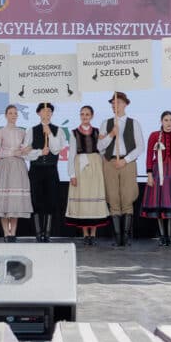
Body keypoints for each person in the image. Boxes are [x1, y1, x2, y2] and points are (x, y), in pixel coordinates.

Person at [98, 92, 144, 247]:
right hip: (110, 162)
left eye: (117, 102)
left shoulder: (134, 123)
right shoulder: (106, 123)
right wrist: (111, 134)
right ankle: (117, 237)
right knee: (112, 197)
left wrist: (125, 160)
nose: (114, 105)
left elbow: (140, 147)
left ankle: (126, 237)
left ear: (125, 104)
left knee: (127, 197)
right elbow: (100, 146)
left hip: (127, 162)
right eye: (112, 103)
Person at [0, 104, 32, 241]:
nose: (13, 115)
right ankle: (6, 232)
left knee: (15, 201)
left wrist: (25, 151)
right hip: (5, 166)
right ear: (6, 115)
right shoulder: (0, 132)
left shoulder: (22, 132)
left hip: (18, 166)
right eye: (11, 113)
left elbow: (27, 150)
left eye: (15, 113)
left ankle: (13, 233)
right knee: (4, 200)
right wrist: (12, 152)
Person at [141, 110, 171, 247]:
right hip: (158, 172)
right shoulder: (154, 135)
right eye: (166, 120)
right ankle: (162, 236)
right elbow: (149, 155)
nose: (169, 123)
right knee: (160, 203)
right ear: (161, 121)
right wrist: (149, 174)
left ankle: (169, 237)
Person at [65, 105, 109, 245]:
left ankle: (93, 234)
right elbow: (71, 154)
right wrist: (72, 174)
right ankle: (85, 234)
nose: (84, 117)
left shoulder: (97, 132)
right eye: (82, 114)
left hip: (95, 165)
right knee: (83, 197)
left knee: (94, 197)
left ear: (92, 116)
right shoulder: (74, 133)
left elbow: (102, 151)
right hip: (80, 167)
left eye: (87, 114)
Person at [26, 102, 65, 242]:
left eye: (49, 111)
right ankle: (38, 232)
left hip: (51, 169)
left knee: (51, 200)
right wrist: (39, 152)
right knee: (35, 200)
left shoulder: (58, 130)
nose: (46, 113)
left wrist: (50, 134)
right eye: (44, 111)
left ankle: (47, 232)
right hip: (36, 169)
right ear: (38, 113)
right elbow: (26, 152)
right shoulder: (31, 130)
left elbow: (56, 149)